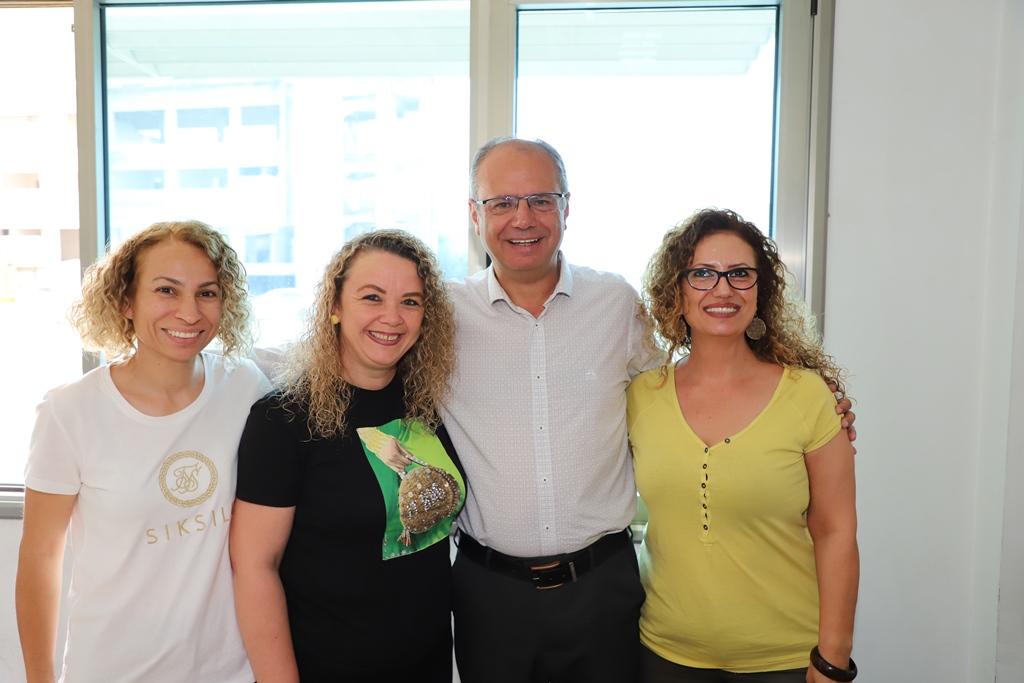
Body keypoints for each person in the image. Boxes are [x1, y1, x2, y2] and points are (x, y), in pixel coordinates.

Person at [445, 137, 856, 683]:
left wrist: (820, 407)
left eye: (542, 199)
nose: (524, 217)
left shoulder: (615, 303)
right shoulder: (443, 317)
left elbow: (699, 375)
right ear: (475, 215)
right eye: (502, 202)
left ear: (566, 208)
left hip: (603, 590)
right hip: (490, 594)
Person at [16, 220, 270, 683]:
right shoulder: (69, 411)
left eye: (207, 293)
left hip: (230, 671)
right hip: (111, 669)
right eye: (166, 290)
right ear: (125, 302)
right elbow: (40, 556)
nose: (189, 313)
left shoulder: (245, 386)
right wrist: (39, 679)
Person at [626, 208, 859, 682]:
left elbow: (836, 530)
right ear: (676, 291)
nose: (723, 289)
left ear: (760, 290)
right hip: (664, 655)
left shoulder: (809, 397)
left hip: (785, 660)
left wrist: (833, 658)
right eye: (702, 274)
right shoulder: (640, 397)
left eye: (739, 273)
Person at [229, 229, 464, 683]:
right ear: (335, 306)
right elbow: (255, 568)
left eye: (410, 301)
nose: (392, 317)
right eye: (372, 297)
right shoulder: (283, 420)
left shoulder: (426, 402)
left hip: (430, 661)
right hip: (329, 667)